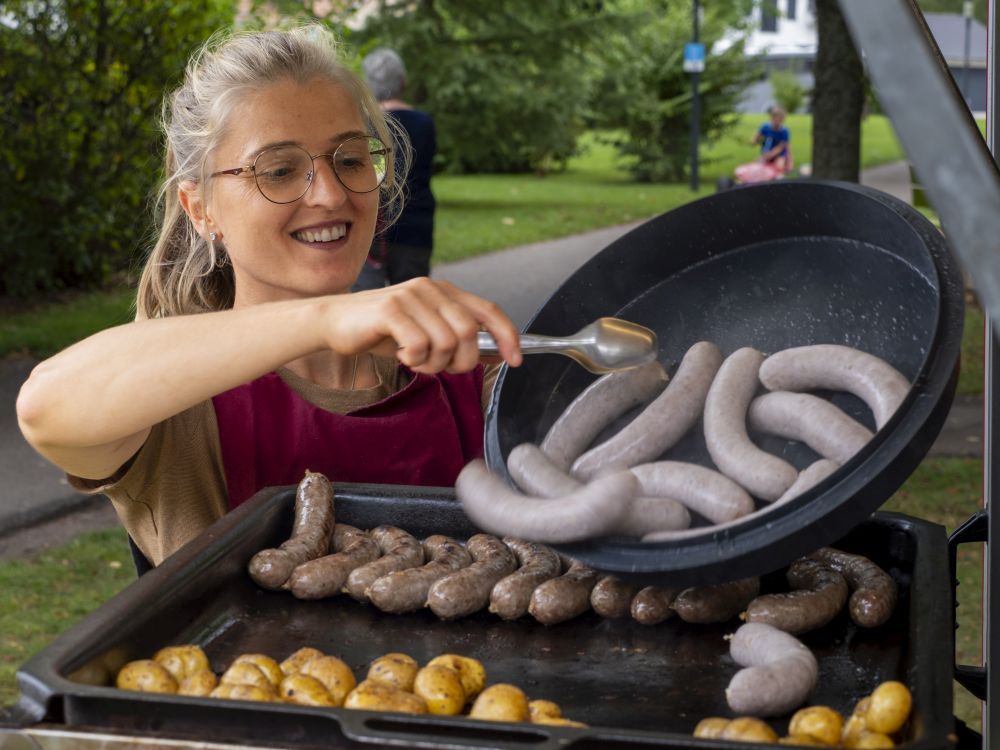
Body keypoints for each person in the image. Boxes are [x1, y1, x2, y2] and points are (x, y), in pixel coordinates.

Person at [15, 25, 522, 568]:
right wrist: (324, 319)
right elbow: (46, 408)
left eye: (350, 159)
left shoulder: (463, 370)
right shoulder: (178, 406)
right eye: (279, 171)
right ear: (200, 209)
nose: (329, 195)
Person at [353, 47, 437, 290]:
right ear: (402, 81)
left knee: (367, 308)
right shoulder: (424, 123)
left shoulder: (361, 122)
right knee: (413, 305)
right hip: (415, 226)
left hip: (372, 228)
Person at [751, 105, 792, 173]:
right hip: (766, 153)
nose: (777, 122)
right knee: (757, 167)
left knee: (778, 167)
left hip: (778, 155)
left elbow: (781, 147)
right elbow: (757, 136)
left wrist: (790, 162)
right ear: (771, 118)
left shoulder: (784, 131)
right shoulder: (765, 127)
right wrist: (755, 140)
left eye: (780, 120)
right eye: (775, 119)